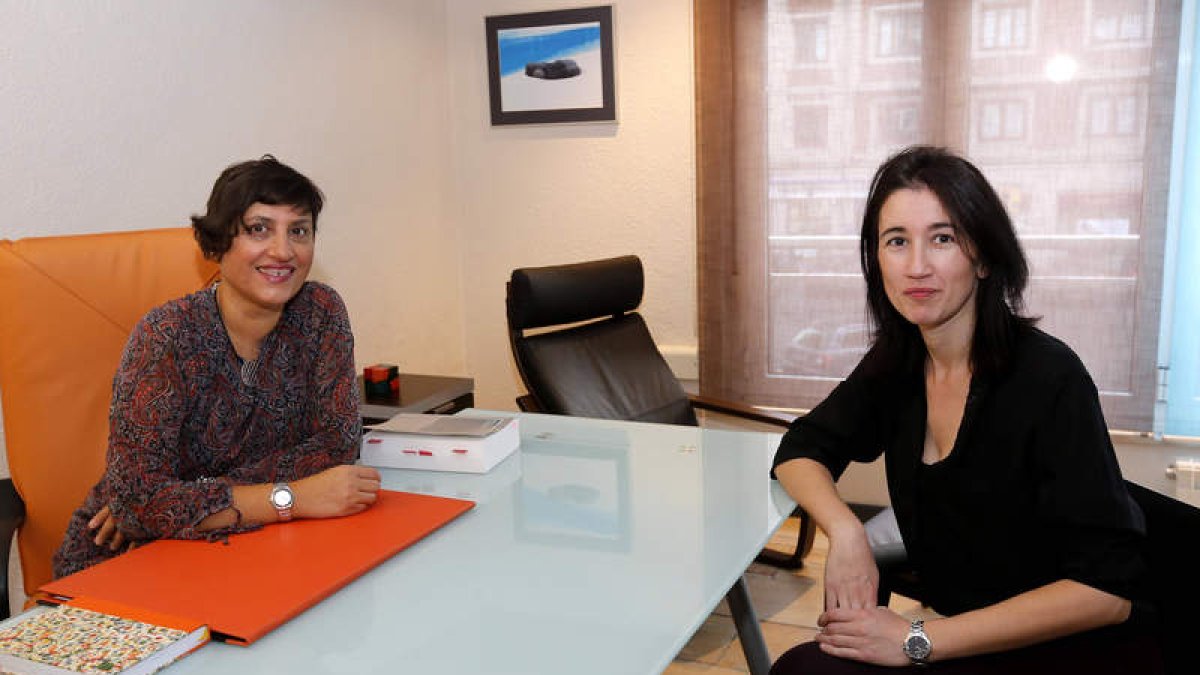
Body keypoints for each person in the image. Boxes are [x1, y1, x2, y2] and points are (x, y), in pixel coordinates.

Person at [770, 146, 1161, 673]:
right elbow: (802, 448)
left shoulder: (1048, 378)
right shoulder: (900, 361)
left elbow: (1107, 592)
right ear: (875, 259)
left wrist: (917, 639)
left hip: (1061, 650)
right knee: (804, 666)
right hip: (963, 637)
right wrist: (846, 531)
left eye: (942, 238)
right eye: (896, 241)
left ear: (981, 254)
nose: (917, 266)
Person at [53, 156, 381, 577]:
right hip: (128, 562)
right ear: (216, 243)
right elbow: (137, 509)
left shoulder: (321, 313)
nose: (283, 250)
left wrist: (186, 498)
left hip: (247, 554)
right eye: (259, 229)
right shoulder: (167, 335)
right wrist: (292, 497)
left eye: (298, 230)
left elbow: (337, 444)